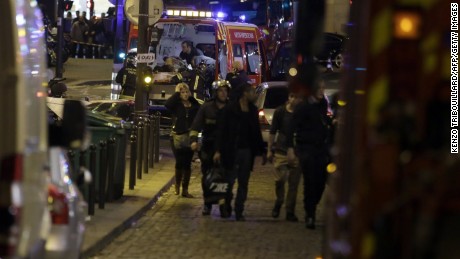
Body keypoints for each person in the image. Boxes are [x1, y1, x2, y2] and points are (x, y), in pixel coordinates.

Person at [213, 83, 265, 221]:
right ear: (245, 93)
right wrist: (218, 150)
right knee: (229, 181)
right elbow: (222, 131)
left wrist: (262, 151)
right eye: (252, 92)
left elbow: (256, 132)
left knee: (244, 182)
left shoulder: (253, 110)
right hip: (231, 150)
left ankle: (239, 210)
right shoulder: (230, 109)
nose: (254, 95)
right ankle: (226, 205)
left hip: (247, 151)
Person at [286, 79, 332, 229]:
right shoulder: (303, 106)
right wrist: (290, 149)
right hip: (306, 148)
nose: (321, 90)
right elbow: (291, 128)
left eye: (323, 87)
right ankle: (310, 214)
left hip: (321, 149)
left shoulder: (323, 105)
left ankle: (312, 204)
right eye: (319, 87)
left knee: (320, 183)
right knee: (309, 181)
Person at [189, 80, 231, 215]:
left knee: (227, 177)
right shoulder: (206, 108)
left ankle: (225, 203)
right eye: (220, 91)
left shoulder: (231, 108)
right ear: (215, 92)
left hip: (226, 148)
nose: (223, 93)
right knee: (207, 176)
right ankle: (207, 203)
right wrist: (194, 141)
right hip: (208, 147)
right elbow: (196, 126)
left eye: (225, 91)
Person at [267, 92, 303, 222]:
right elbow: (272, 131)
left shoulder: (302, 113)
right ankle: (279, 201)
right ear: (288, 97)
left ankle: (290, 211)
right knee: (280, 180)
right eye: (292, 96)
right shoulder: (280, 112)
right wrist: (270, 149)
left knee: (293, 184)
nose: (294, 99)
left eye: (297, 97)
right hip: (281, 151)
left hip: (297, 153)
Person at [165, 83, 201, 198]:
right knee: (179, 161)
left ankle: (185, 189)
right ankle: (177, 186)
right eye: (182, 92)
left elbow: (199, 110)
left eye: (186, 92)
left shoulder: (193, 105)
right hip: (177, 136)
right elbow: (167, 104)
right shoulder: (176, 105)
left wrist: (190, 97)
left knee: (187, 163)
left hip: (190, 137)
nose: (185, 94)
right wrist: (177, 93)